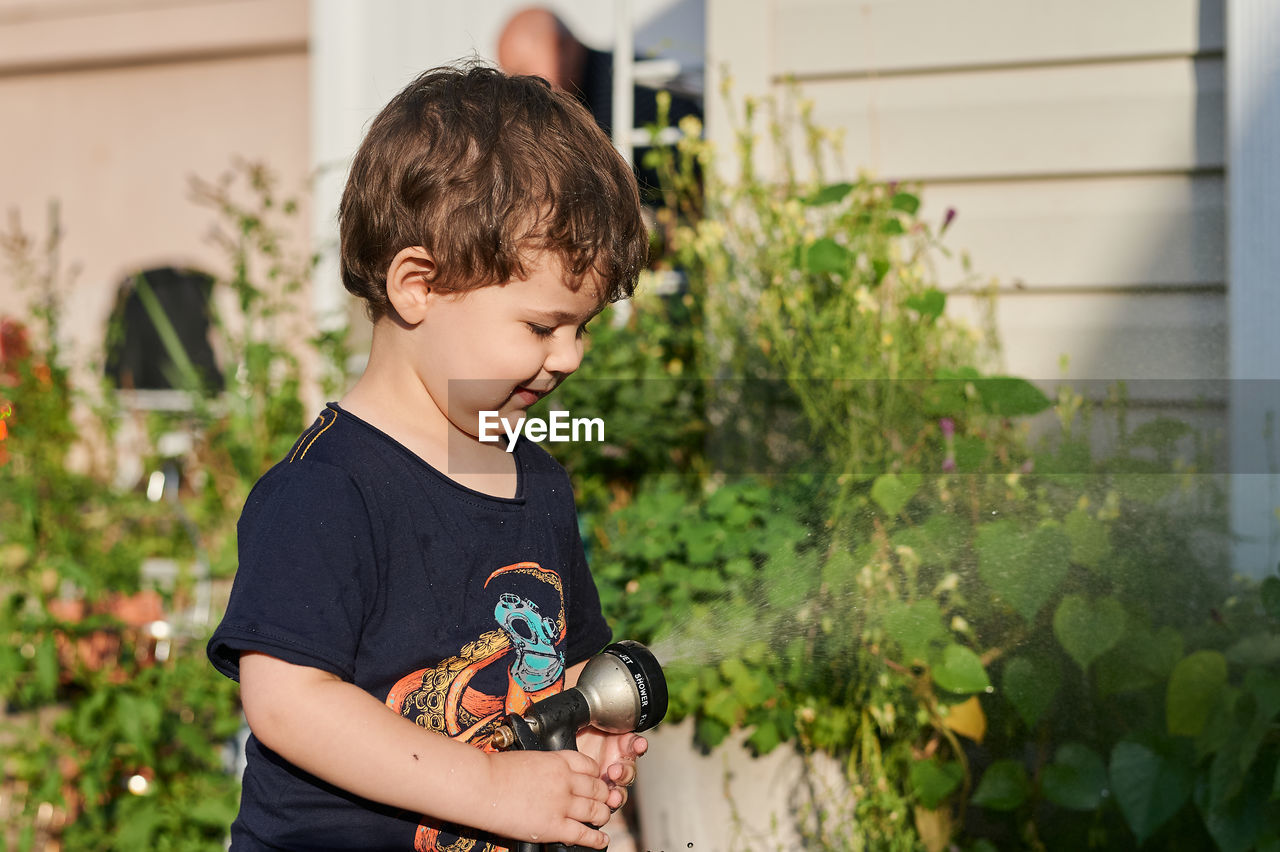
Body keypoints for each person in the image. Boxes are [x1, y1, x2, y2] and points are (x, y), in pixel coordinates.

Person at [207, 62, 650, 851]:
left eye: (583, 328)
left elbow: (562, 665)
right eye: (543, 327)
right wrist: (487, 788)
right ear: (418, 285)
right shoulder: (327, 491)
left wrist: (591, 725)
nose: (572, 356)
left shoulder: (538, 485)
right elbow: (286, 701)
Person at [497, 6, 702, 201]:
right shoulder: (600, 82)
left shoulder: (625, 92)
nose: (518, 89)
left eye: (521, 70)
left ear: (564, 47)